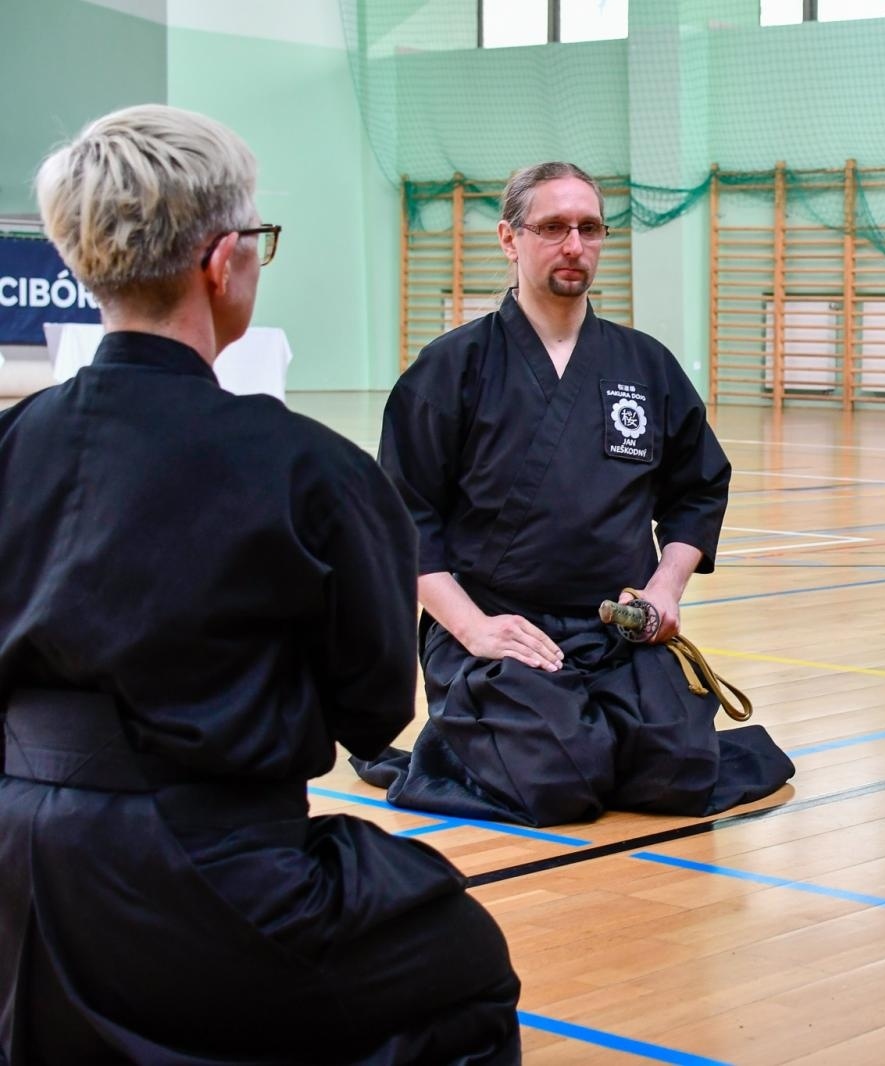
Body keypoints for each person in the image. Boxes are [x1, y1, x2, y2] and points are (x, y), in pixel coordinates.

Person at [0, 106, 520, 1064]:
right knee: (466, 962)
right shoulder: (311, 469)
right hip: (209, 874)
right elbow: (370, 715)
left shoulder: (9, 440)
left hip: (14, 871)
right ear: (221, 259)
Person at [353, 161, 794, 827]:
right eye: (553, 227)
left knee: (680, 772)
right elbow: (402, 518)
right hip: (503, 631)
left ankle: (587, 732)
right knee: (561, 781)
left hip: (615, 631)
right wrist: (473, 629)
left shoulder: (645, 366)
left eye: (589, 228)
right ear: (509, 239)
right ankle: (479, 741)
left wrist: (665, 589)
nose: (574, 245)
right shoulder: (453, 367)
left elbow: (698, 488)